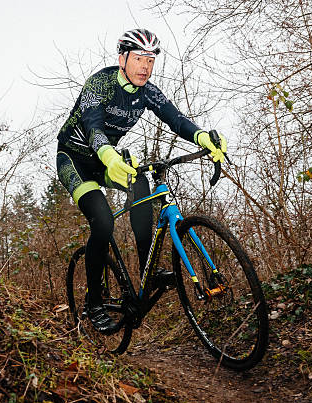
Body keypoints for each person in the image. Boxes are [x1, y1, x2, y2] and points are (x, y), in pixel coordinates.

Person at [56, 28, 227, 334]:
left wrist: (203, 136)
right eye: (138, 58)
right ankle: (93, 301)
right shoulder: (100, 84)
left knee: (142, 189)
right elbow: (93, 124)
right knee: (104, 223)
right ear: (123, 59)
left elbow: (175, 119)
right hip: (76, 159)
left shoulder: (148, 91)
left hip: (109, 159)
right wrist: (107, 155)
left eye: (150, 59)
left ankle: (149, 269)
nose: (145, 66)